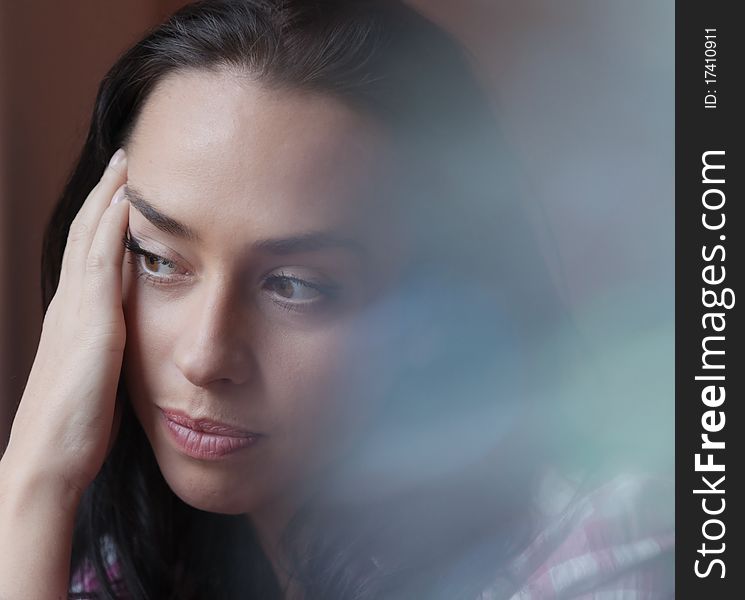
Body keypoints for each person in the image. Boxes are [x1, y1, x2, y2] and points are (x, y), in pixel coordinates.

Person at [0, 1, 673, 598]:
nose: (206, 357)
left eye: (295, 285)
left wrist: (31, 493)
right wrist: (34, 485)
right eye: (159, 259)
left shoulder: (592, 563)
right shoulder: (136, 555)